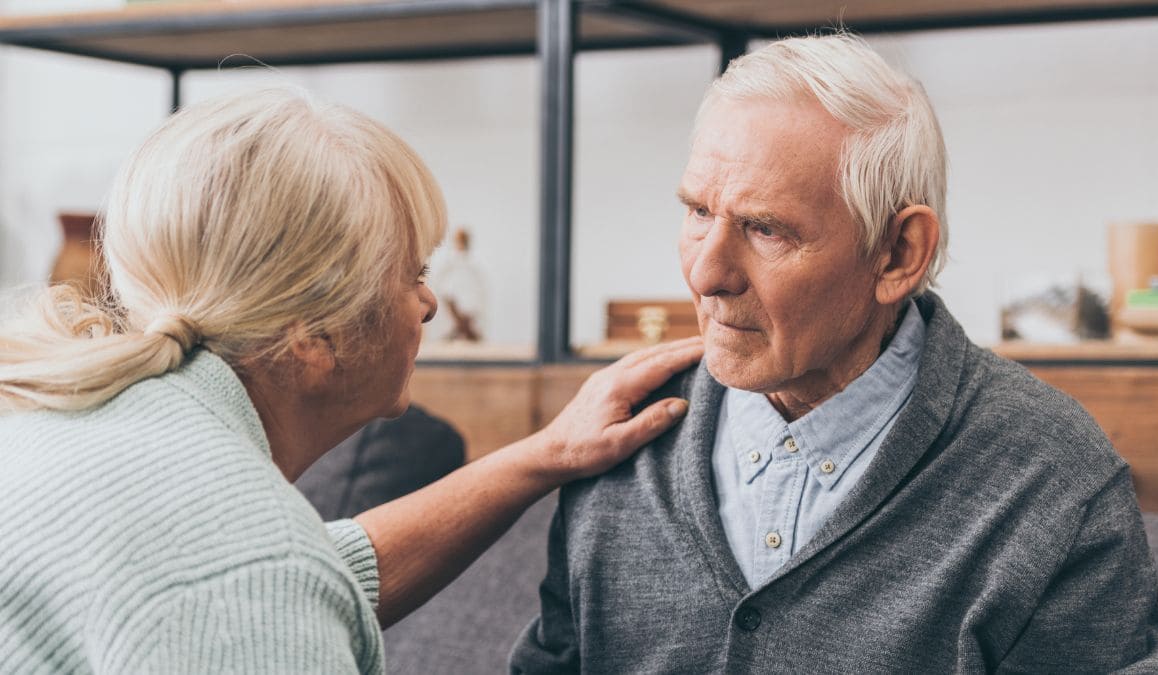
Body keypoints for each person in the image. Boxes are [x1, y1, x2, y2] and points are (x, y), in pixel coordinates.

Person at [511, 33, 1158, 673]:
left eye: (765, 228)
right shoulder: (620, 438)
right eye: (698, 212)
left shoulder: (1052, 478)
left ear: (898, 253)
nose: (707, 274)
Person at [0, 88, 702, 674]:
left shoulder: (81, 424)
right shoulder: (246, 572)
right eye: (413, 275)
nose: (429, 303)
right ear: (316, 334)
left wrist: (544, 453)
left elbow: (319, 571)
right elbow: (258, 583)